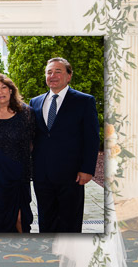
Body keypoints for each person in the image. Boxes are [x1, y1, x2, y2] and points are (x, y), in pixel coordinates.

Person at [30, 57, 99, 233]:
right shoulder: (35, 102)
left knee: (70, 221)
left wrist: (87, 169)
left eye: (58, 71)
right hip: (42, 175)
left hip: (72, 175)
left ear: (69, 76)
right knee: (45, 219)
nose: (52, 75)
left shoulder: (84, 101)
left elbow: (91, 138)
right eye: (49, 72)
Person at [0, 73, 34, 233]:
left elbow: (33, 142)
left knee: (20, 218)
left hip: (18, 175)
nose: (0, 92)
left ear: (11, 90)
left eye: (4, 87)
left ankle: (24, 253)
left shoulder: (27, 113)